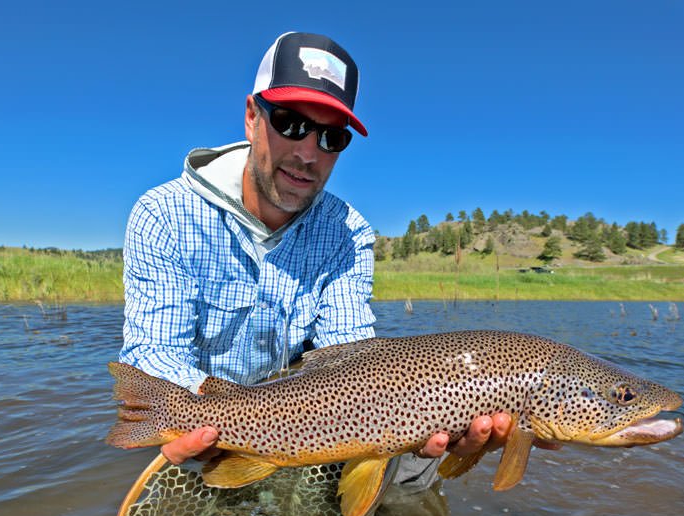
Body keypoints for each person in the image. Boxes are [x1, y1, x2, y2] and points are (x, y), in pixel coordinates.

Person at [119, 31, 515, 489]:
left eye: (331, 137)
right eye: (290, 123)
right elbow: (155, 355)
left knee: (417, 472)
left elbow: (351, 355)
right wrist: (211, 417)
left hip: (318, 421)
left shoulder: (348, 232)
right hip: (205, 423)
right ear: (252, 117)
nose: (308, 152)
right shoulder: (163, 214)